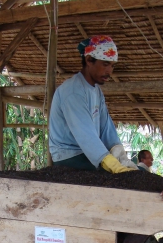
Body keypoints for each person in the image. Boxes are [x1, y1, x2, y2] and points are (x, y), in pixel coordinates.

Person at [49, 35, 136, 173]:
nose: (109, 71)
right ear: (89, 60)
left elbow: (106, 127)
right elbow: (85, 133)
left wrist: (119, 153)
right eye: (105, 64)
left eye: (112, 66)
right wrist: (109, 162)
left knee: (137, 174)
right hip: (70, 157)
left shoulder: (96, 91)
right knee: (119, 180)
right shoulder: (73, 91)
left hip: (89, 154)